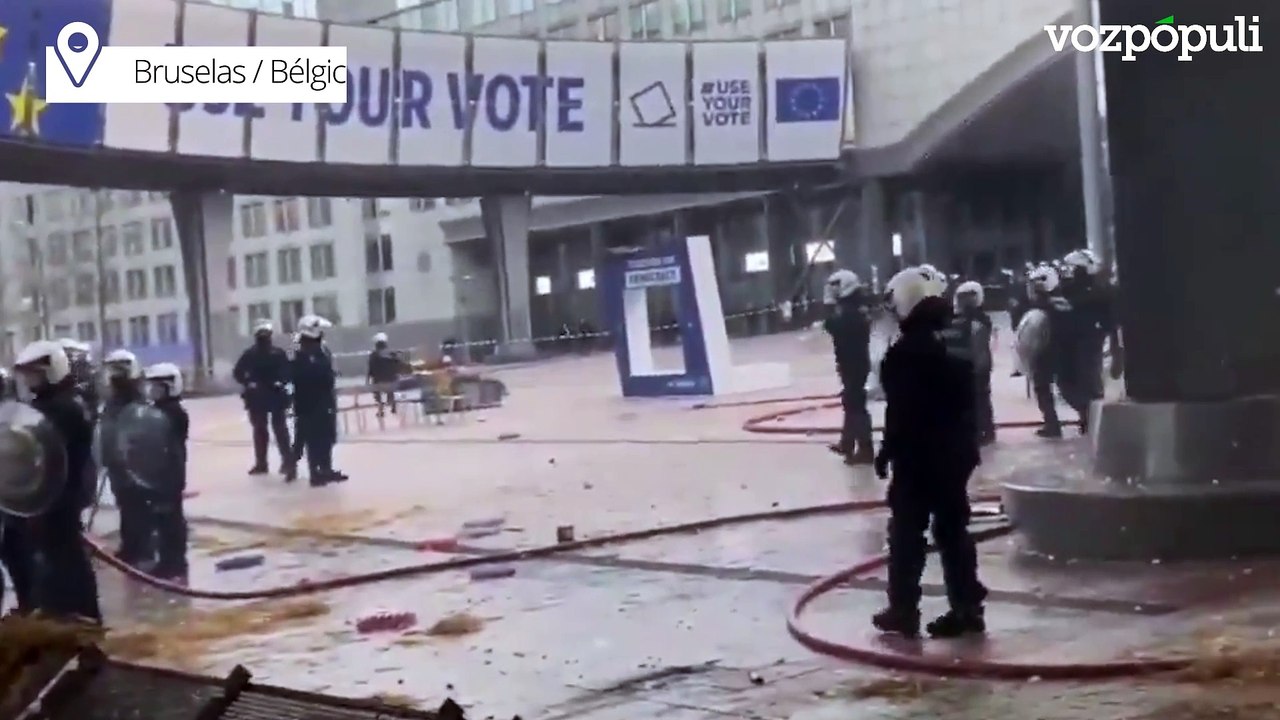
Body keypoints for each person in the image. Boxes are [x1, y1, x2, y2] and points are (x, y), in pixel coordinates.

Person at [872, 266, 987, 638]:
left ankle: (903, 610)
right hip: (956, 455)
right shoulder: (958, 337)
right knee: (954, 533)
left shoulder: (903, 355)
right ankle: (967, 609)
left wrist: (887, 451)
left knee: (906, 535)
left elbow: (901, 413)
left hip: (918, 460)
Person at [11, 340, 101, 622]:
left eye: (35, 374)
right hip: (46, 498)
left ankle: (77, 617)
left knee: (65, 559)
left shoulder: (64, 408)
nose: (29, 380)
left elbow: (48, 454)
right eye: (26, 375)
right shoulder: (47, 405)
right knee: (53, 557)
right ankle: (60, 612)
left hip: (60, 496)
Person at [100, 349, 152, 569]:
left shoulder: (137, 398)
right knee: (125, 504)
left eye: (120, 371)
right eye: (113, 371)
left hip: (135, 461)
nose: (115, 376)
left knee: (138, 505)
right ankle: (130, 546)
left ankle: (143, 548)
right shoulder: (113, 400)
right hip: (116, 461)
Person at [1024, 264, 1088, 438]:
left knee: (1045, 387)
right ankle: (1086, 418)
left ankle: (1053, 425)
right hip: (1064, 350)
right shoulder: (1062, 302)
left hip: (1048, 351)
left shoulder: (1046, 305)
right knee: (1066, 388)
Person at [822, 269, 874, 465]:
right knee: (851, 403)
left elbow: (833, 326)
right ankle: (847, 443)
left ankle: (865, 450)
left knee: (856, 406)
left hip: (854, 364)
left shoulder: (851, 312)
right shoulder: (854, 308)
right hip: (852, 362)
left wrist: (828, 308)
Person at [143, 362, 190, 583]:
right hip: (159, 470)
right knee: (161, 518)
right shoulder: (157, 411)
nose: (153, 392)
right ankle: (167, 560)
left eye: (158, 388)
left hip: (170, 471)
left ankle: (175, 562)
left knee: (171, 518)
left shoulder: (174, 412)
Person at [233, 320, 296, 480]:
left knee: (280, 430)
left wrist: (280, 382)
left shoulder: (277, 353)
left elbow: (288, 371)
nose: (263, 338)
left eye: (265, 335)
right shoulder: (250, 354)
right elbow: (238, 372)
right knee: (261, 431)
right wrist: (249, 382)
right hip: (257, 397)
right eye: (261, 335)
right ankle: (263, 463)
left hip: (274, 396)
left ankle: (286, 462)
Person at [292, 316, 343, 486]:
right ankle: (315, 472)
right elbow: (303, 376)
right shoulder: (302, 352)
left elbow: (328, 370)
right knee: (312, 439)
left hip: (325, 400)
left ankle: (326, 469)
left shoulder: (321, 350)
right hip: (309, 403)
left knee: (327, 436)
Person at [943, 281, 996, 446]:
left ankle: (983, 432)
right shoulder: (969, 319)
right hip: (976, 365)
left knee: (979, 399)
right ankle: (984, 431)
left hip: (976, 366)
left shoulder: (976, 321)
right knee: (979, 399)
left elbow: (976, 346)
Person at [366, 332, 400, 417]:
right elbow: (398, 365)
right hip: (392, 381)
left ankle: (381, 408)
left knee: (377, 390)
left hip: (379, 382)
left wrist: (368, 380)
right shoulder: (392, 353)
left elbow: (371, 370)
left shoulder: (373, 355)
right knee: (390, 388)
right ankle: (392, 403)